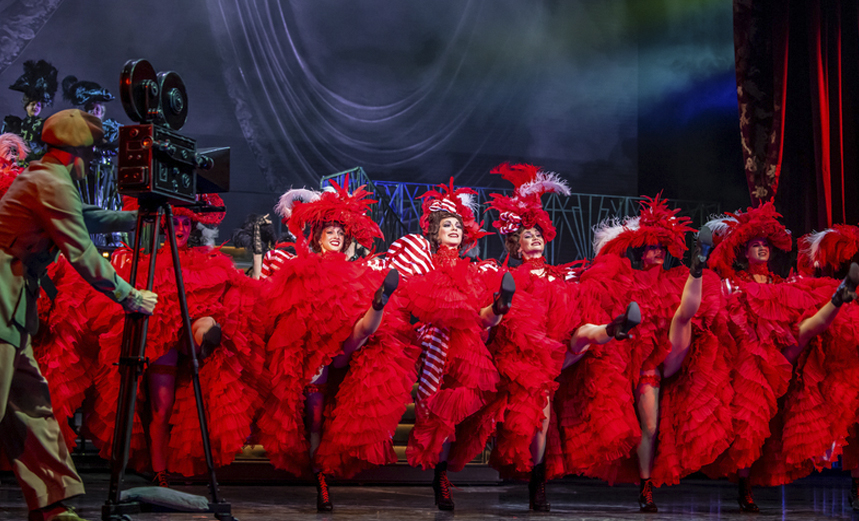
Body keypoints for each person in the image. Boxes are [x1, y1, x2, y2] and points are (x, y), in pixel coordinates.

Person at [444, 163, 640, 511]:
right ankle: (538, 480)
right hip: (524, 355)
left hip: (561, 347)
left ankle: (613, 329)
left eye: (538, 234)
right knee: (541, 406)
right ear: (516, 245)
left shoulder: (563, 278)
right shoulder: (506, 274)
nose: (534, 238)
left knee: (583, 333)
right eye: (527, 236)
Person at [0, 109, 156, 521]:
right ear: (77, 153)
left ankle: (51, 504)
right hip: (2, 300)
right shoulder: (50, 182)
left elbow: (83, 217)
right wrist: (128, 296)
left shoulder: (47, 177)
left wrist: (138, 218)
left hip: (12, 306)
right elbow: (82, 250)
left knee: (31, 406)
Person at [85, 194, 262, 486]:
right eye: (175, 222)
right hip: (161, 336)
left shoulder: (207, 262)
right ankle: (160, 472)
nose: (180, 228)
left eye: (185, 223)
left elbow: (232, 287)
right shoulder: (148, 263)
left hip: (192, 327)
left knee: (207, 322)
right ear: (165, 226)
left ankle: (204, 340)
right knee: (162, 405)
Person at [255, 179, 409, 511]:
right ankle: (321, 479)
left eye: (341, 231)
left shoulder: (358, 273)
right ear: (318, 236)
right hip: (314, 354)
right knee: (314, 419)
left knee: (361, 332)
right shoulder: (301, 269)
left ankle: (378, 305)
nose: (336, 235)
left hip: (346, 348)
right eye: (330, 231)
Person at [703, 203, 859, 512]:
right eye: (755, 244)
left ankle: (839, 298)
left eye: (765, 244)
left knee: (806, 330)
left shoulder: (781, 285)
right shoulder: (736, 284)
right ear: (745, 252)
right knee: (751, 419)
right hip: (752, 359)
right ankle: (744, 486)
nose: (762, 248)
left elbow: (799, 302)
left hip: (782, 353)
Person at [578, 195, 729, 513]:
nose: (658, 252)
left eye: (662, 247)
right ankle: (645, 487)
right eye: (651, 247)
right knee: (649, 426)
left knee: (682, 318)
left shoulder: (672, 282)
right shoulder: (625, 279)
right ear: (639, 251)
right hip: (628, 361)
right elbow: (597, 286)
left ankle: (698, 267)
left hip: (665, 359)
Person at [385, 179, 514, 511]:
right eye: (447, 225)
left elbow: (473, 317)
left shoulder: (473, 270)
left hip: (466, 340)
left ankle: (501, 304)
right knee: (436, 402)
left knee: (451, 408)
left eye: (458, 225)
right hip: (431, 338)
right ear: (434, 231)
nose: (454, 229)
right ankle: (438, 473)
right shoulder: (421, 262)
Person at [2, 60, 58, 163]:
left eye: (38, 105)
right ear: (26, 106)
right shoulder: (15, 124)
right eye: (32, 104)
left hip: (37, 165)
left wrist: (38, 151)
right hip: (18, 167)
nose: (35, 107)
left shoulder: (45, 125)